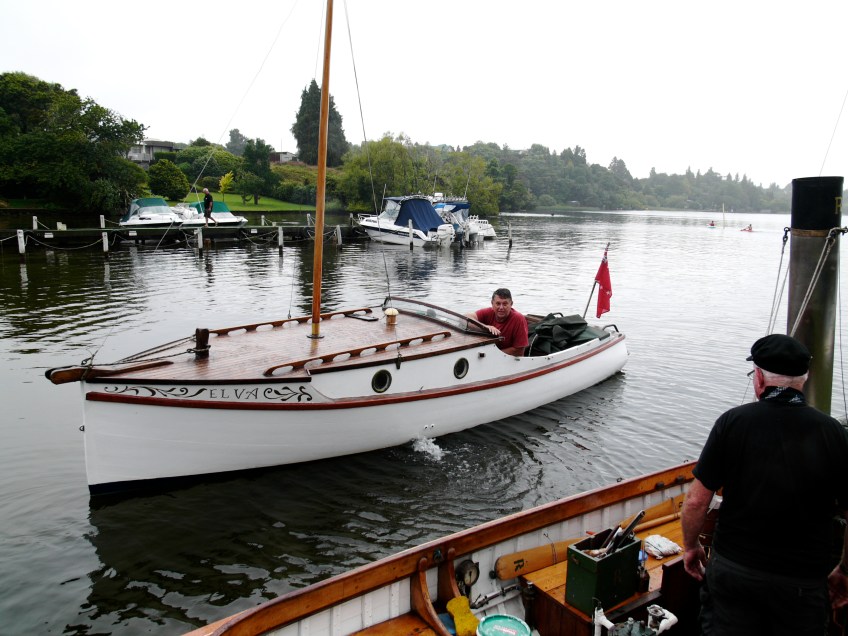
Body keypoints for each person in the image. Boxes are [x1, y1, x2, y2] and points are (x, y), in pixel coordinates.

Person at [681, 334, 848, 635]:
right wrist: (845, 569)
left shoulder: (732, 422)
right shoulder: (834, 433)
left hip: (735, 574)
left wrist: (691, 547)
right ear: (804, 379)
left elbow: (696, 501)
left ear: (758, 378)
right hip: (801, 585)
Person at [467, 288, 529, 356]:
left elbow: (519, 351)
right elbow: (465, 318)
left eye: (505, 304)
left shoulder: (519, 319)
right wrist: (484, 327)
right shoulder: (488, 312)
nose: (501, 308)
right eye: (498, 304)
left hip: (508, 359)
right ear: (492, 303)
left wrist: (491, 355)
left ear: (511, 304)